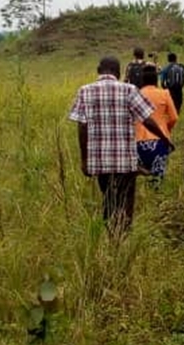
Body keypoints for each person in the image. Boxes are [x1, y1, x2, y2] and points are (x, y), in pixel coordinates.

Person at [68, 57, 173, 234]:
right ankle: (124, 235)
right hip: (125, 161)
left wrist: (84, 159)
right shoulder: (129, 90)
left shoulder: (84, 91)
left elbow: (82, 126)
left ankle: (110, 234)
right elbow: (147, 120)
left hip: (100, 162)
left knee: (108, 197)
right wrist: (164, 138)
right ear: (117, 72)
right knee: (126, 199)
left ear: (98, 70)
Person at [132, 64, 177, 186]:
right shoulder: (164, 94)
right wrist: (166, 129)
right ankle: (156, 196)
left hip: (138, 141)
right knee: (157, 177)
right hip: (159, 141)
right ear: (156, 79)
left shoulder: (135, 95)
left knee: (136, 174)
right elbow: (174, 117)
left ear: (142, 80)